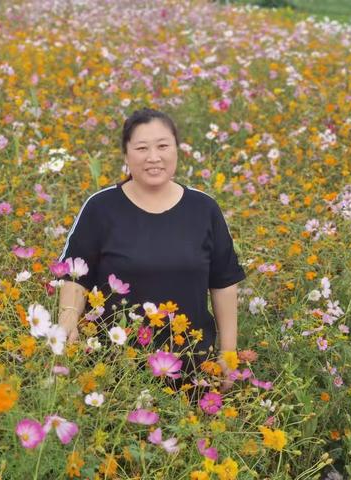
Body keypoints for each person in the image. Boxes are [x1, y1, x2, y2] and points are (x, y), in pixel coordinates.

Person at [56, 107, 246, 393]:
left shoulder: (204, 209)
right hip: (114, 371)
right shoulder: (100, 208)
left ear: (177, 150)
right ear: (126, 154)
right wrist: (66, 334)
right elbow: (75, 276)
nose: (154, 157)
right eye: (142, 148)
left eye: (163, 146)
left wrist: (228, 355)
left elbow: (224, 284)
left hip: (192, 369)